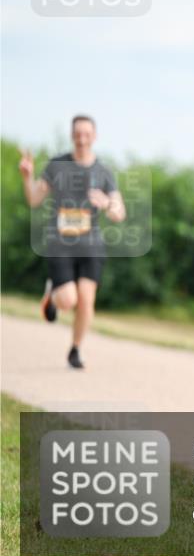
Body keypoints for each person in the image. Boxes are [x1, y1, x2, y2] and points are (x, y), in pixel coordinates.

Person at [18, 114, 126, 369]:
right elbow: (34, 199)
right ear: (71, 136)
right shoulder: (56, 166)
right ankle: (53, 298)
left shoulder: (104, 172)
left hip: (91, 245)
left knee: (87, 300)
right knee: (69, 300)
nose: (82, 139)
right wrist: (27, 177)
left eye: (87, 134)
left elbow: (119, 213)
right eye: (77, 134)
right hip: (61, 244)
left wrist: (108, 203)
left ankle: (75, 350)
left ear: (95, 137)